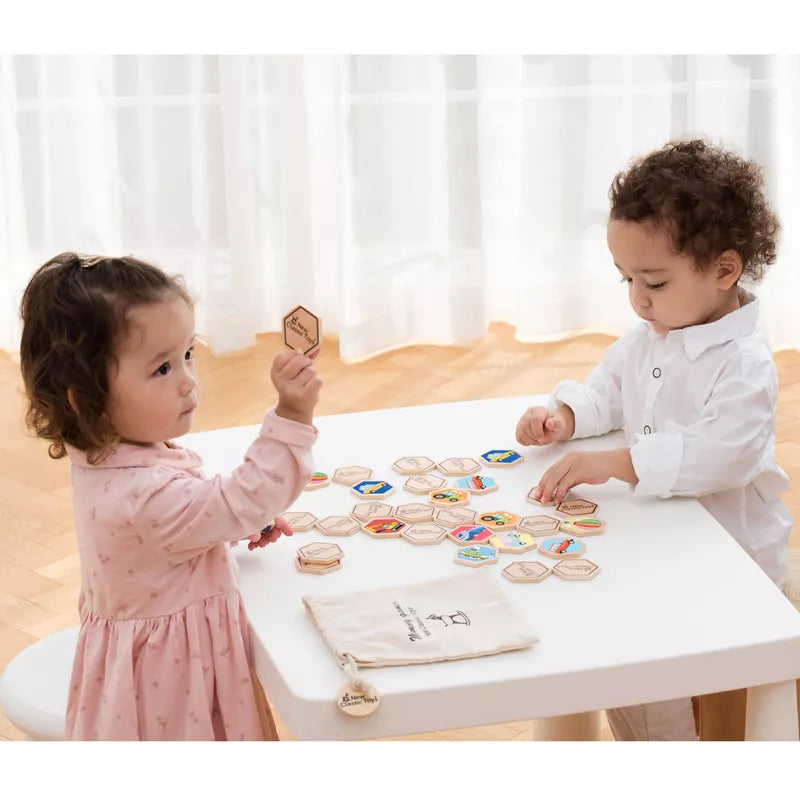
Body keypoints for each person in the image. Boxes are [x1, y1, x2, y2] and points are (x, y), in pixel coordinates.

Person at [515, 139, 792, 740]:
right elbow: (609, 387)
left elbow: (724, 456)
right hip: (663, 536)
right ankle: (633, 727)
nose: (638, 298)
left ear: (724, 269)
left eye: (655, 282)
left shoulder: (744, 362)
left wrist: (618, 462)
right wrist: (566, 414)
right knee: (611, 629)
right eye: (627, 279)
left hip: (729, 560)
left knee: (657, 654)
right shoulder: (654, 331)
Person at [19, 252, 321, 740]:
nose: (187, 381)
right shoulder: (144, 497)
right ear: (86, 397)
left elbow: (172, 532)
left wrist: (223, 527)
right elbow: (235, 498)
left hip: (145, 670)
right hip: (176, 691)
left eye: (187, 354)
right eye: (161, 369)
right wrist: (292, 415)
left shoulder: (105, 453)